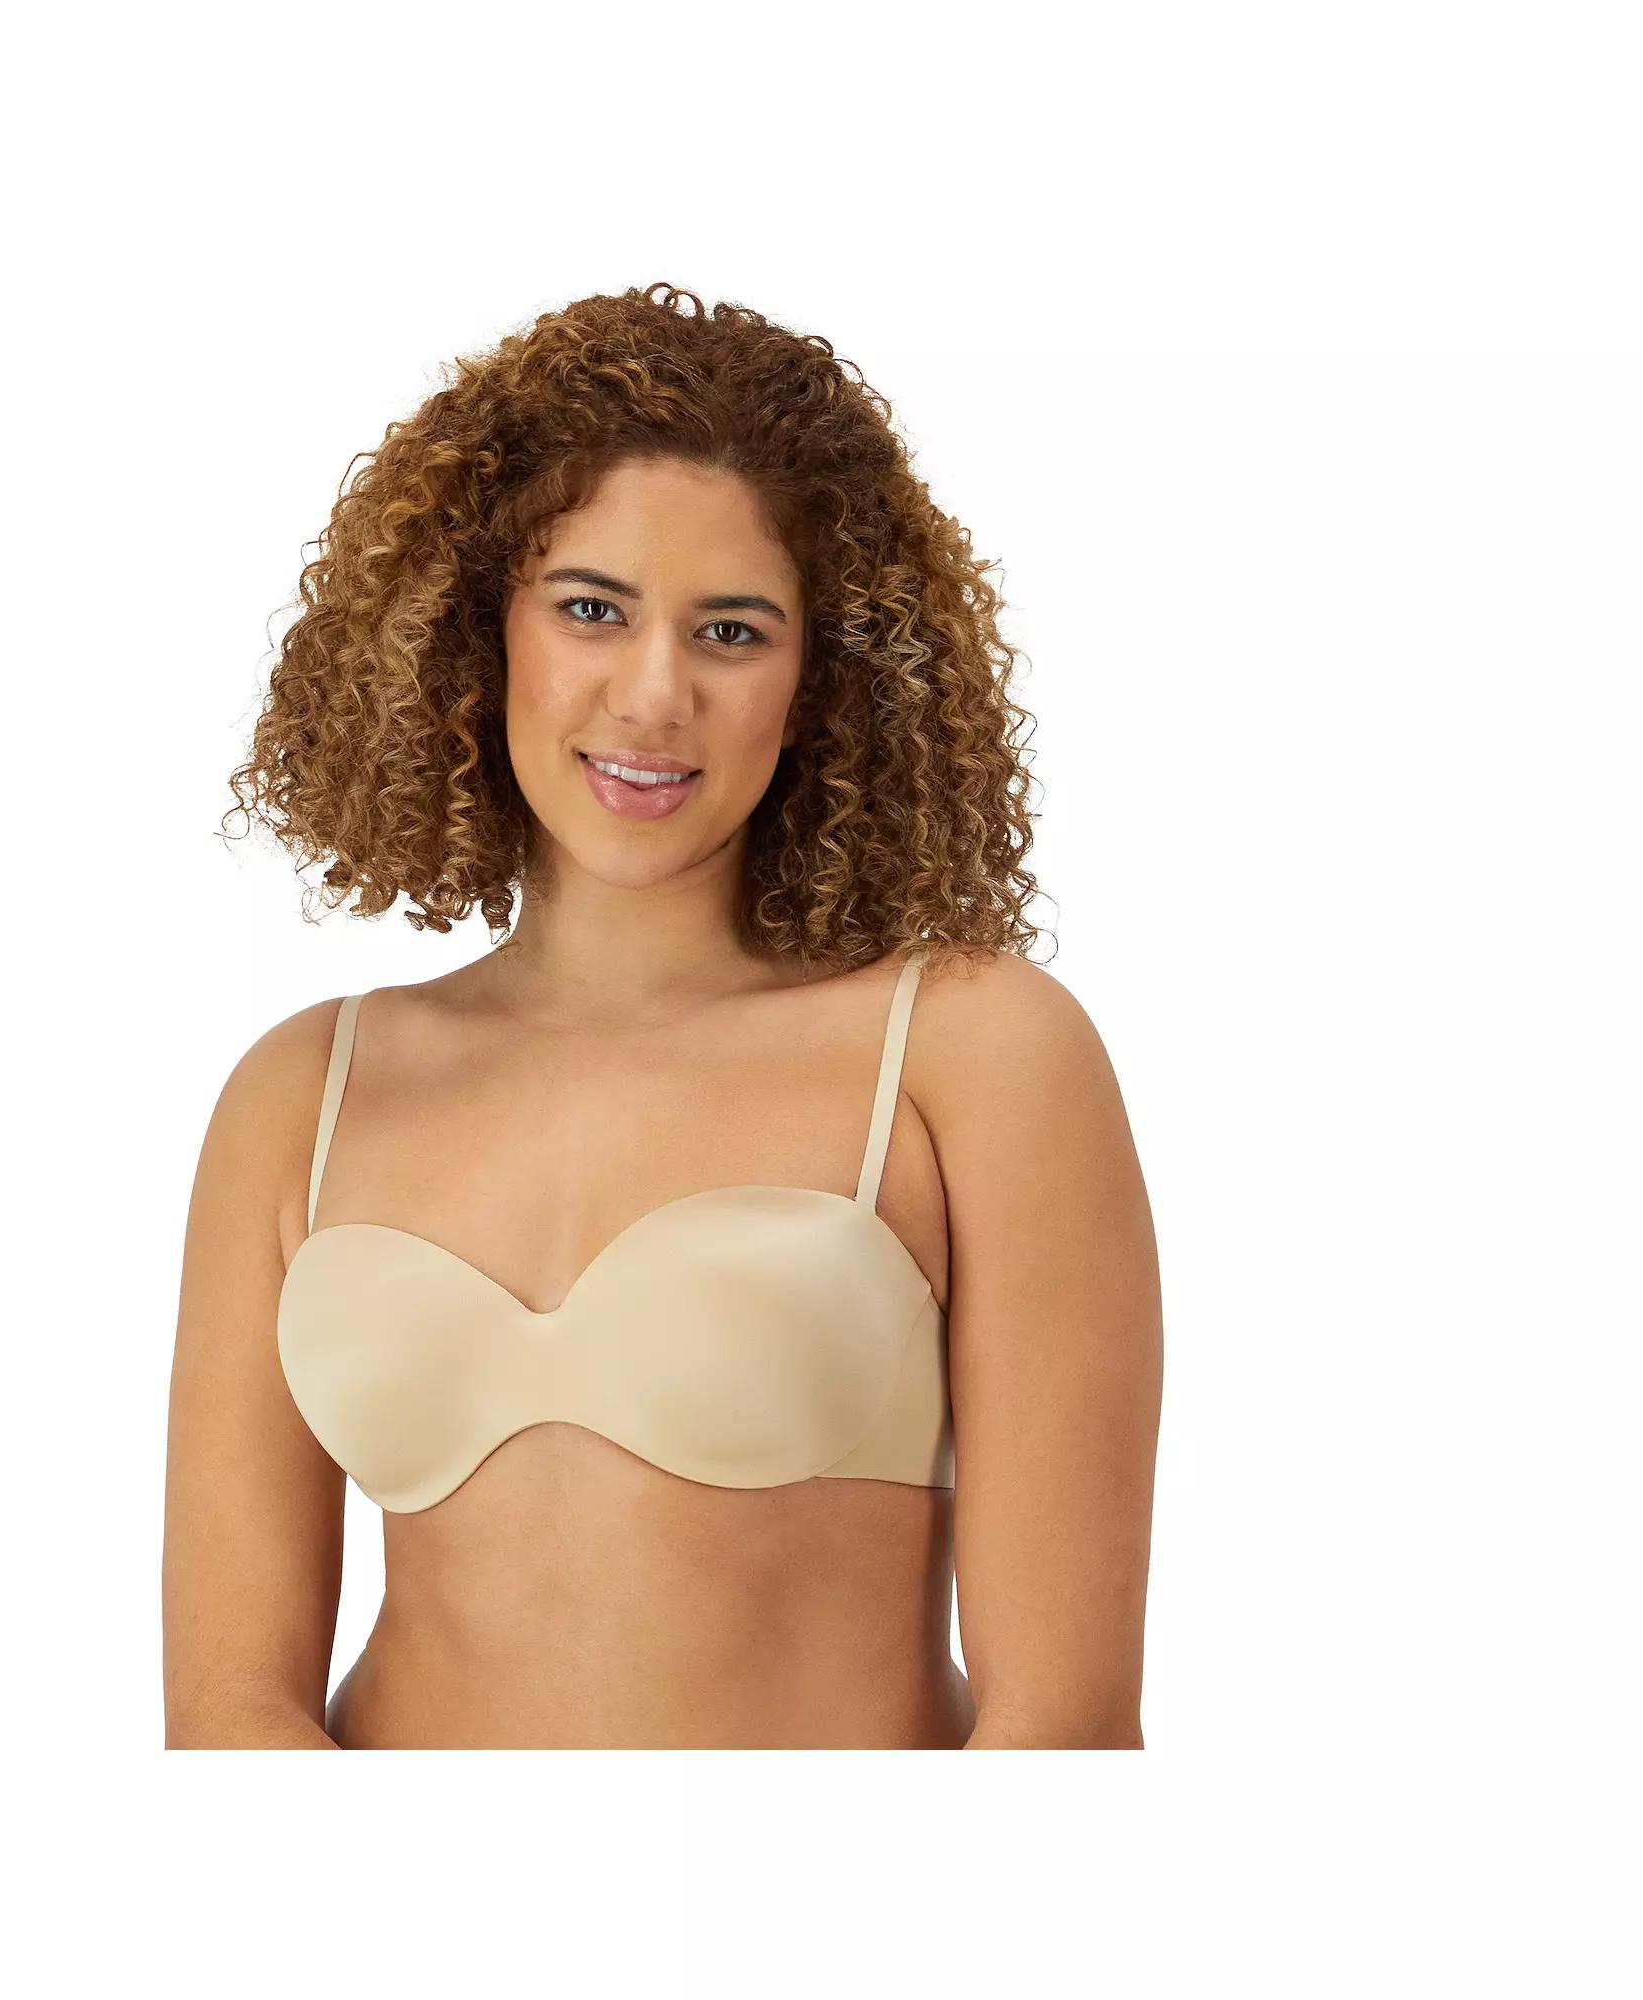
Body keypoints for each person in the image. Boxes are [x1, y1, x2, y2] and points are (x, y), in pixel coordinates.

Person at [161, 283, 1163, 1749]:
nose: (653, 696)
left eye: (733, 632)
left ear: (824, 678)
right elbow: (228, 1712)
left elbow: (1061, 1726)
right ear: (475, 627)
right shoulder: (305, 1091)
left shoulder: (971, 1053)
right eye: (591, 609)